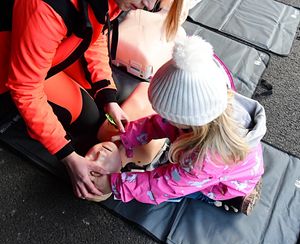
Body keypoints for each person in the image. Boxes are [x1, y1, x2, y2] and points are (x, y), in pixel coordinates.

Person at [0, 0, 185, 200]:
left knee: (94, 111)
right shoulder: (46, 8)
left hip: (46, 51)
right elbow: (25, 89)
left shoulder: (113, 2)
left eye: (156, 2)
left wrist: (108, 96)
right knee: (88, 117)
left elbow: (95, 35)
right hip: (10, 70)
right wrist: (68, 157)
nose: (148, 7)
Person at [87, 35, 267, 215]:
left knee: (178, 193)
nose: (98, 154)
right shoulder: (206, 109)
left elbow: (162, 186)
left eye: (167, 114)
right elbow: (160, 123)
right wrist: (130, 135)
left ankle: (235, 198)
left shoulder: (203, 162)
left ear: (187, 121)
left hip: (225, 180)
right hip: (229, 165)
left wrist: (114, 183)